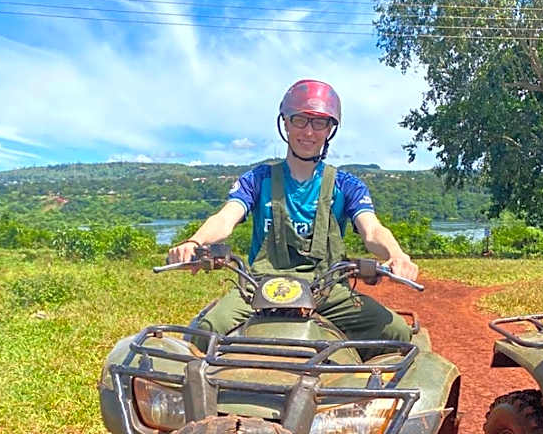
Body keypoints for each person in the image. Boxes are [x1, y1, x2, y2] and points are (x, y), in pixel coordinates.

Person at [168, 79, 418, 346]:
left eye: (319, 122)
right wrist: (195, 242)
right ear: (285, 123)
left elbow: (372, 230)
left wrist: (396, 255)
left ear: (330, 129)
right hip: (259, 286)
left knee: (397, 334)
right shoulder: (258, 179)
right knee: (206, 330)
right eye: (300, 120)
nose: (308, 132)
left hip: (327, 288)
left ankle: (365, 385)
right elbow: (225, 218)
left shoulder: (347, 185)